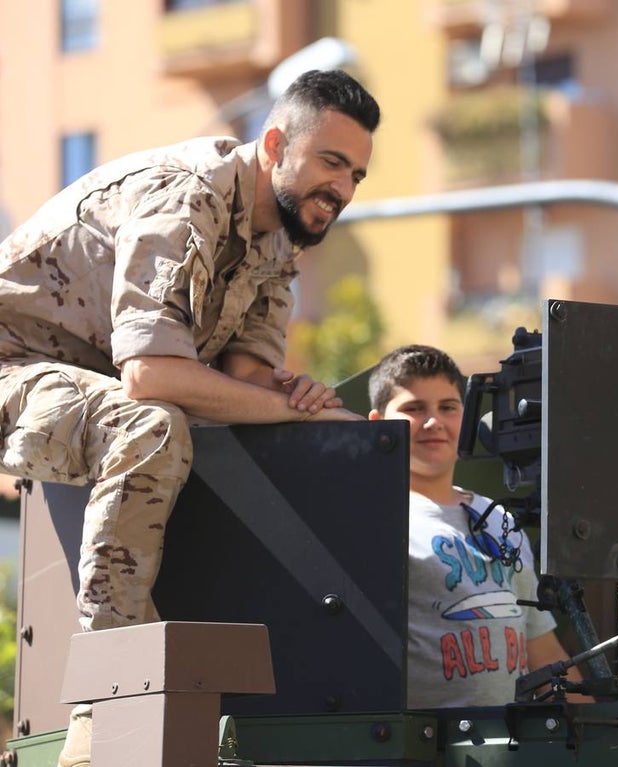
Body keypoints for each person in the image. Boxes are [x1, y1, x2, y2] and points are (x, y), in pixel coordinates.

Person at [0, 68, 379, 766]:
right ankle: (105, 705)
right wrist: (273, 407)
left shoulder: (278, 246)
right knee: (152, 427)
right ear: (274, 144)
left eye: (356, 173)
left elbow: (242, 381)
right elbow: (152, 376)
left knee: (243, 432)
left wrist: (298, 401)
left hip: (93, 382)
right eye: (331, 161)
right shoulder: (188, 195)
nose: (344, 189)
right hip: (14, 365)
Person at [368, 344, 586, 708]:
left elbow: (543, 650)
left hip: (507, 743)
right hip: (420, 745)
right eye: (414, 408)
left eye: (448, 407)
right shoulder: (372, 518)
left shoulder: (499, 518)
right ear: (378, 424)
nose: (433, 422)